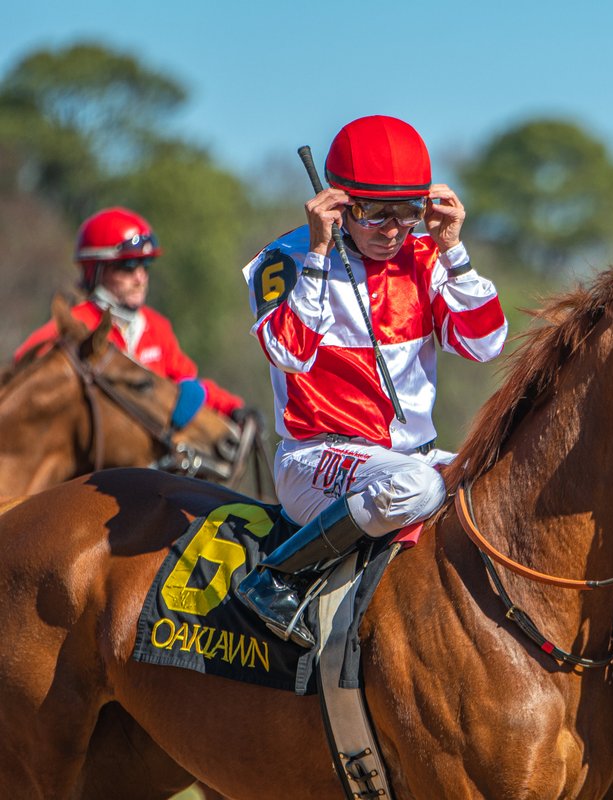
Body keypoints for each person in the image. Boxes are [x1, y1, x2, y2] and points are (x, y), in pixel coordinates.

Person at [234, 115, 507, 649]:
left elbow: (485, 344)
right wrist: (318, 252)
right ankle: (279, 576)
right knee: (418, 487)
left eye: (407, 213)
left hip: (410, 457)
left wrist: (453, 248)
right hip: (317, 460)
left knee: (504, 479)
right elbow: (288, 353)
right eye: (374, 213)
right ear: (338, 204)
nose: (391, 231)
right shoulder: (282, 260)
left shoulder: (426, 257)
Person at [14, 207, 245, 416]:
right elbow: (19, 383)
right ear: (95, 271)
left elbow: (188, 382)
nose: (140, 277)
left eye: (145, 265)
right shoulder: (72, 327)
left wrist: (233, 408)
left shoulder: (156, 326)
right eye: (128, 266)